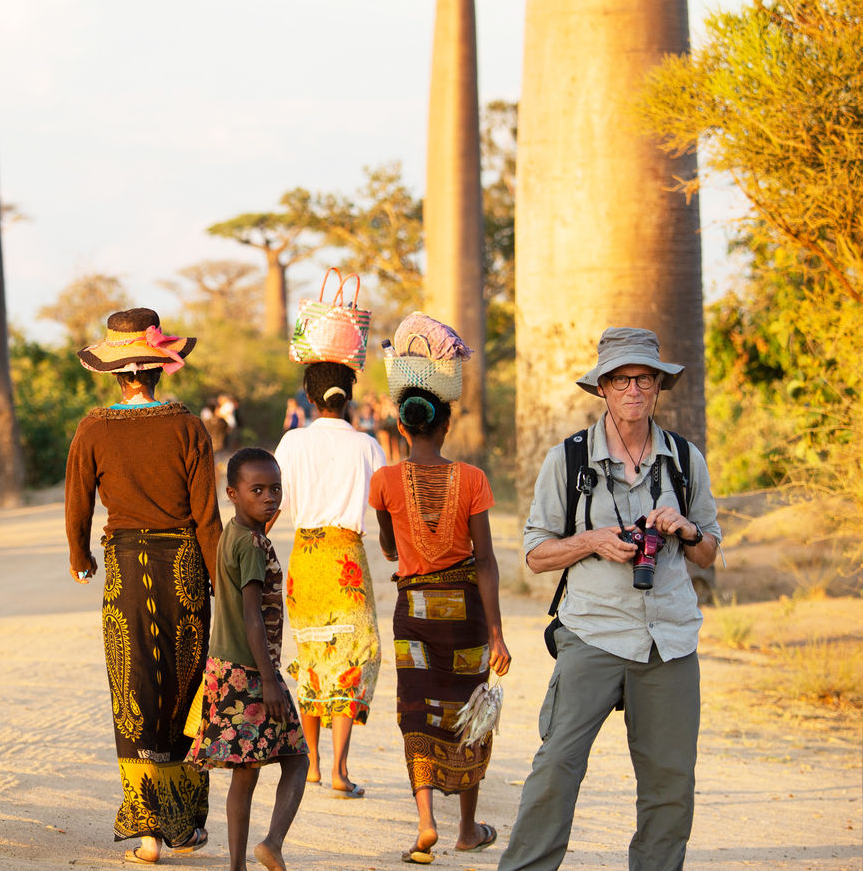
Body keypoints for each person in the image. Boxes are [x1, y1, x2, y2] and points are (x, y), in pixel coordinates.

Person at [499, 328, 721, 871]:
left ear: (658, 386)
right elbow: (534, 553)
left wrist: (686, 530)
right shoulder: (568, 460)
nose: (632, 390)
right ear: (602, 388)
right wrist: (594, 541)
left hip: (667, 640)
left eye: (643, 378)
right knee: (556, 767)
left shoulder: (685, 460)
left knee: (671, 783)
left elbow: (710, 552)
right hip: (592, 632)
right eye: (620, 380)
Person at [65, 307, 223, 864]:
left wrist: (79, 555)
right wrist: (218, 579)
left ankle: (147, 829)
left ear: (114, 373)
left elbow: (78, 502)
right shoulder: (187, 426)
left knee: (133, 691)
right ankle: (183, 826)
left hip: (127, 567)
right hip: (183, 565)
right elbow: (207, 517)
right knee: (183, 692)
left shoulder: (93, 428)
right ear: (161, 368)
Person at [369, 387, 512, 863]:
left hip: (414, 614)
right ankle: (468, 829)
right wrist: (496, 634)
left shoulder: (385, 480)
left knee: (418, 710)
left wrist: (401, 540)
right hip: (467, 612)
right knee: (471, 711)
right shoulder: (472, 478)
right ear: (446, 425)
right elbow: (486, 559)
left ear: (403, 428)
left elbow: (389, 545)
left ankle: (426, 821)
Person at [187, 448, 308, 871]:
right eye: (256, 490)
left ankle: (237, 865)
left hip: (225, 668)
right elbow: (252, 616)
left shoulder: (234, 535)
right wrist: (270, 680)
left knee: (247, 769)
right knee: (297, 759)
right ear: (233, 494)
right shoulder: (253, 546)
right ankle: (271, 843)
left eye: (275, 488)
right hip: (253, 672)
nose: (269, 497)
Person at [271, 361, 387, 798]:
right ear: (349, 396)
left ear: (309, 395)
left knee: (313, 658)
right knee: (353, 658)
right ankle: (340, 769)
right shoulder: (369, 445)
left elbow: (272, 499)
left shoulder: (292, 442)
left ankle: (313, 765)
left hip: (306, 559)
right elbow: (382, 507)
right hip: (346, 561)